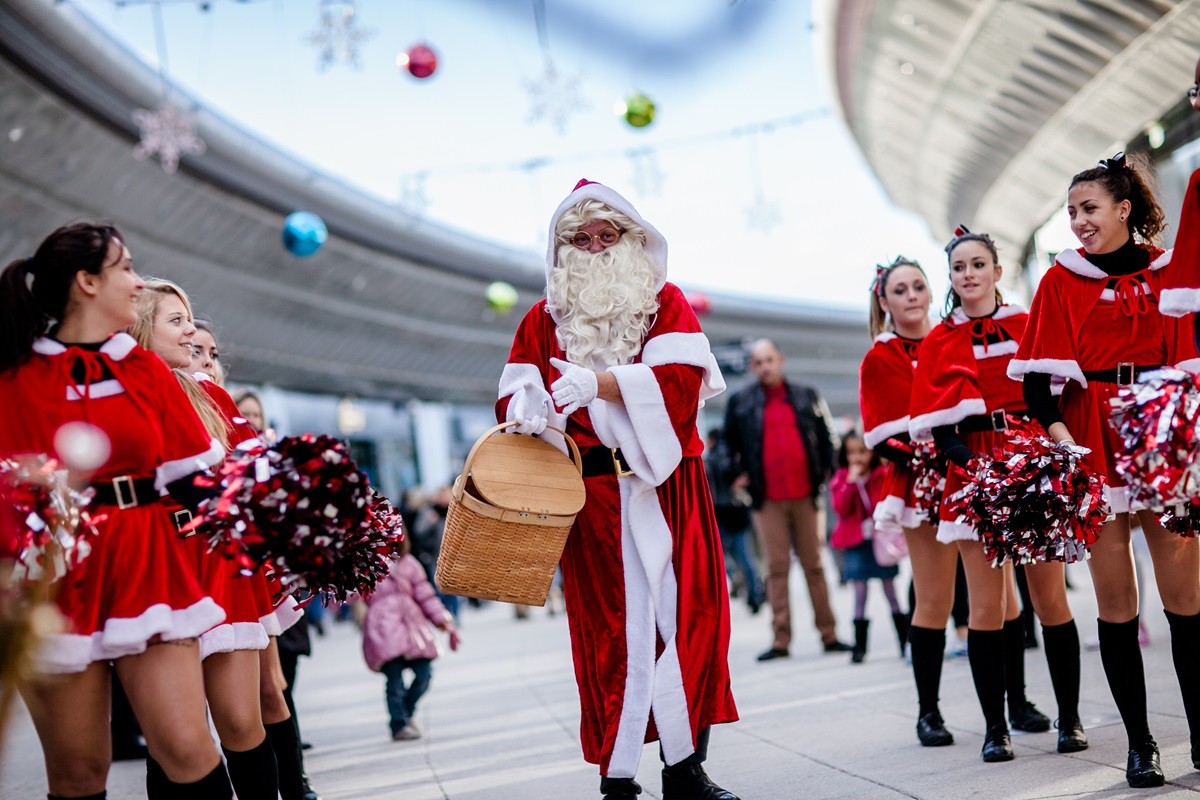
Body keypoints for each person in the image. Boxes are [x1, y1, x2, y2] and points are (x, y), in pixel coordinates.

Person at [496, 179, 738, 800]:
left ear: (632, 240)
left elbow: (680, 388)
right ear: (563, 248)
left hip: (669, 487)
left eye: (609, 235)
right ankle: (618, 777)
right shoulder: (541, 318)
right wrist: (527, 410)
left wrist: (602, 385)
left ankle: (686, 771)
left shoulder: (664, 303)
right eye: (583, 238)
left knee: (690, 623)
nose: (597, 247)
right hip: (594, 497)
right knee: (611, 630)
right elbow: (513, 392)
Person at [0, 223, 233, 798]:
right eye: (124, 268)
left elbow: (199, 482)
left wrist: (275, 522)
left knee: (187, 748)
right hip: (54, 577)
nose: (136, 283)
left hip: (148, 563)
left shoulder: (147, 369)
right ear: (86, 282)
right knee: (78, 772)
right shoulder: (18, 376)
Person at [1010, 153, 1200, 787]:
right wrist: (1065, 444)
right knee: (1117, 604)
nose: (1078, 222)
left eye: (1089, 208)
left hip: (1159, 439)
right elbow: (1037, 384)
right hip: (1092, 445)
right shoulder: (1060, 280)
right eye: (1070, 213)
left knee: (1187, 600)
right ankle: (1140, 745)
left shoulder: (1169, 271)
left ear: (1124, 208)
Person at [910, 228, 1081, 763]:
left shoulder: (1029, 323)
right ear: (952, 277)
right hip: (974, 473)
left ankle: (1070, 720)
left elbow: (1060, 398)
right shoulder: (940, 340)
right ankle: (994, 728)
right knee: (985, 606)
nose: (968, 274)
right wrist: (978, 469)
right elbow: (940, 429)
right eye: (958, 267)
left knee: (1050, 599)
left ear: (996, 271)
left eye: (978, 264)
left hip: (1031, 462)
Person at [131, 280, 280, 799]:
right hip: (157, 572)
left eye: (188, 318)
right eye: (175, 320)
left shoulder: (210, 394)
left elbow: (258, 475)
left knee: (242, 721)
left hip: (221, 566)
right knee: (174, 737)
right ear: (139, 328)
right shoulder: (123, 392)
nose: (191, 330)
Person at [857, 256, 959, 747]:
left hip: (973, 476)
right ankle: (929, 712)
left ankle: (1015, 702)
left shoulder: (952, 337)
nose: (913, 295)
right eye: (901, 290)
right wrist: (936, 457)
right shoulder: (880, 357)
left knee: (997, 600)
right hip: (919, 484)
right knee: (935, 597)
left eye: (920, 286)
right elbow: (879, 435)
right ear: (885, 301)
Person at [724, 339, 847, 660]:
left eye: (769, 360)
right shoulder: (740, 402)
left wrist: (827, 475)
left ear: (781, 360)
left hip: (807, 495)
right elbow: (726, 445)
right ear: (753, 367)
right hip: (767, 499)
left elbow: (829, 440)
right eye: (758, 362)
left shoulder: (807, 395)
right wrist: (736, 472)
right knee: (776, 568)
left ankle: (829, 635)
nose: (765, 366)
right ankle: (781, 640)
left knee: (815, 566)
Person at [361, 535, 458, 740]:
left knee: (424, 674)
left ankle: (407, 711)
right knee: (394, 680)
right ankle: (399, 725)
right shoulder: (365, 565)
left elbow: (425, 594)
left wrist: (440, 618)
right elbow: (353, 593)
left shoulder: (409, 563)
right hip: (383, 628)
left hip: (413, 628)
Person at [828, 431, 902, 664]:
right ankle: (859, 646)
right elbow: (840, 507)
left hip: (880, 542)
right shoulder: (841, 478)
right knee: (860, 592)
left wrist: (869, 480)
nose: (856, 458)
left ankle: (905, 640)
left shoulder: (881, 474)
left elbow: (884, 501)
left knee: (890, 591)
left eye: (862, 451)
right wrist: (851, 483)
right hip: (857, 543)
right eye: (851, 453)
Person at [704, 428, 763, 615]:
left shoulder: (709, 459)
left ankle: (737, 579)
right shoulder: (734, 455)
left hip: (719, 512)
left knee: (720, 556)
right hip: (737, 511)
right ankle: (755, 593)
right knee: (745, 555)